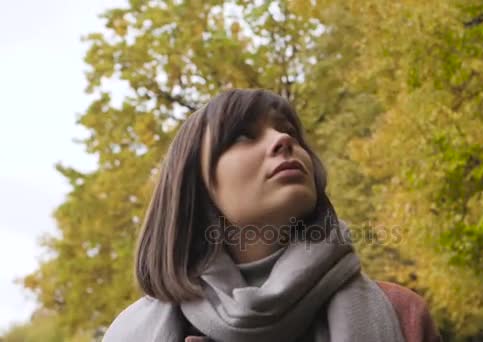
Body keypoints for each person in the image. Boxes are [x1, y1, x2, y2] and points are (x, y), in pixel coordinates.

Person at [103, 89, 441, 342]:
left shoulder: (403, 316)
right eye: (242, 136)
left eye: (289, 131)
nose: (282, 139)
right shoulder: (130, 333)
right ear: (194, 185)